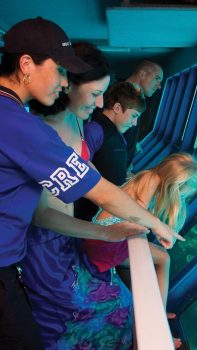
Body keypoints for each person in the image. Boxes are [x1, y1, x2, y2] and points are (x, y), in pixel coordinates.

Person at [0, 17, 179, 350]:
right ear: (26, 64)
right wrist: (154, 223)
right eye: (60, 71)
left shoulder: (18, 116)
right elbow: (96, 191)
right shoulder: (23, 126)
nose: (64, 83)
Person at [84, 152, 197, 349]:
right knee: (163, 259)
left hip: (102, 238)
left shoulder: (149, 176)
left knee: (161, 257)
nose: (182, 199)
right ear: (175, 185)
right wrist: (156, 227)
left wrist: (154, 228)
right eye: (183, 194)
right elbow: (134, 212)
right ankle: (158, 314)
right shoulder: (151, 179)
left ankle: (158, 309)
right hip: (104, 242)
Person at [75, 81, 146, 222]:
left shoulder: (119, 136)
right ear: (117, 108)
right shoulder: (94, 130)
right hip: (85, 215)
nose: (135, 123)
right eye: (134, 116)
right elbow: (79, 170)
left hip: (103, 212)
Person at [124, 60, 164, 167]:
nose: (159, 86)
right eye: (157, 78)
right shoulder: (118, 97)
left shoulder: (138, 101)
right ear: (142, 74)